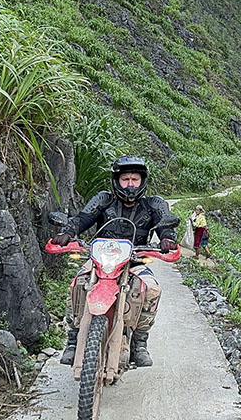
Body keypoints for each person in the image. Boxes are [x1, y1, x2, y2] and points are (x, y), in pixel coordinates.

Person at [50, 155, 179, 368]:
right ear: (116, 181)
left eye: (134, 180)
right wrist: (67, 232)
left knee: (152, 289)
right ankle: (73, 340)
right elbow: (82, 219)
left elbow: (166, 226)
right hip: (99, 260)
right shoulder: (103, 199)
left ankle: (139, 343)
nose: (130, 184)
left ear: (142, 181)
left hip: (135, 261)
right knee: (77, 284)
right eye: (125, 179)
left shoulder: (153, 204)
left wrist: (167, 239)